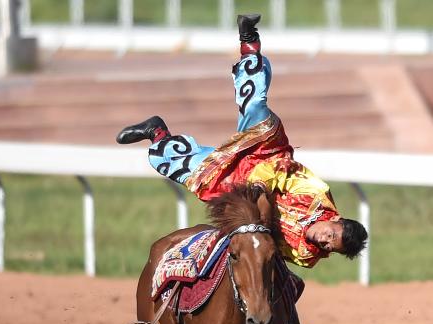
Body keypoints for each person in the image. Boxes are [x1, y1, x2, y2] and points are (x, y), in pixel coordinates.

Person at [116, 13, 368, 270]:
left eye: (329, 247)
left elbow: (265, 247)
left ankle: (156, 132)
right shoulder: (317, 195)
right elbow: (287, 170)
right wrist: (260, 187)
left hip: (238, 190)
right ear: (335, 218)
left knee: (180, 171)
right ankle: (249, 39)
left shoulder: (307, 255)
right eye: (331, 235)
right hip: (266, 154)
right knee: (254, 105)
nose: (324, 241)